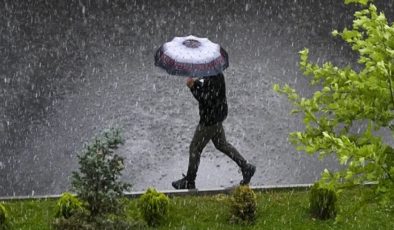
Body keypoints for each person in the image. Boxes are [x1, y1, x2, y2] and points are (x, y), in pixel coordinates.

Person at [172, 73, 256, 189]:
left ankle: (190, 181)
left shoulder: (213, 77)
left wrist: (192, 88)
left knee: (195, 148)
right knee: (221, 144)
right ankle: (246, 168)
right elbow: (207, 92)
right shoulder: (214, 74)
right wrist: (196, 84)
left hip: (209, 121)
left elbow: (206, 99)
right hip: (216, 117)